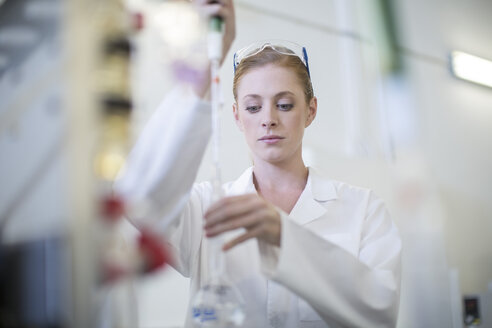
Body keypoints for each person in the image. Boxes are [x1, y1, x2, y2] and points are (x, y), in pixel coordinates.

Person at [115, 0, 401, 327]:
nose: (268, 119)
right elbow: (136, 196)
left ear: (311, 110)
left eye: (284, 104)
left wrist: (284, 236)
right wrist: (207, 60)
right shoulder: (206, 208)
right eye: (253, 107)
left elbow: (381, 312)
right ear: (236, 116)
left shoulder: (363, 210)